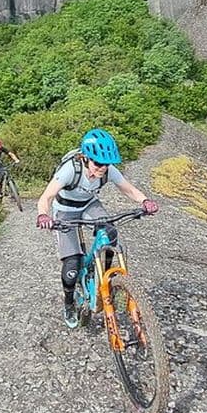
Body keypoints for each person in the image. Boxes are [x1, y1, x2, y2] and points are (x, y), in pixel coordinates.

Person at [35, 128, 159, 328]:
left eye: (106, 164)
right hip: (65, 211)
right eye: (98, 163)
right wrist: (43, 215)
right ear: (85, 158)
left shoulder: (107, 170)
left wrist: (145, 201)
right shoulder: (70, 170)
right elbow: (46, 197)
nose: (102, 168)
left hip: (89, 205)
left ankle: (106, 278)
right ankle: (69, 303)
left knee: (109, 232)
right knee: (72, 267)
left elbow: (127, 188)